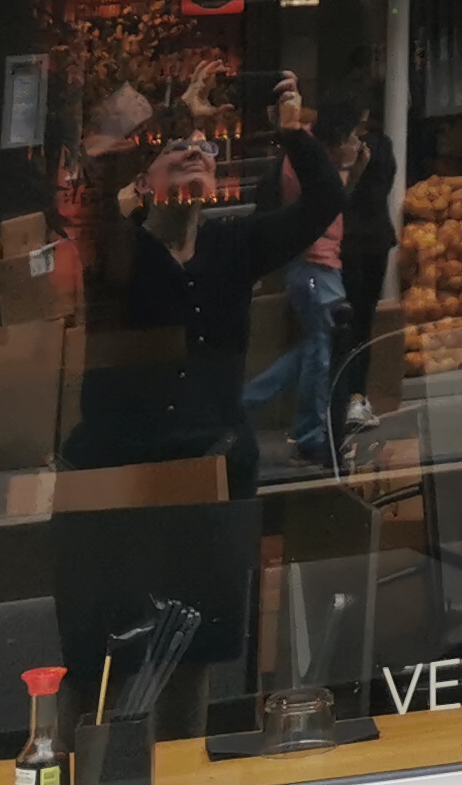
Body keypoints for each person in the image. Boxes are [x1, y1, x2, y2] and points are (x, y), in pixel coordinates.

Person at [66, 109, 344, 499]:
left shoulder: (233, 245)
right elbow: (95, 170)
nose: (195, 153)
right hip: (124, 470)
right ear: (143, 182)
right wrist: (162, 116)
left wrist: (293, 132)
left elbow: (326, 199)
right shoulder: (118, 249)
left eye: (205, 148)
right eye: (177, 148)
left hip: (220, 468)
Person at [239, 106, 355, 473]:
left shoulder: (308, 158)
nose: (356, 144)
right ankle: (309, 437)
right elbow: (328, 200)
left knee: (314, 348)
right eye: (352, 137)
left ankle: (244, 403)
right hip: (315, 264)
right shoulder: (308, 162)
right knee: (320, 353)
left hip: (313, 265)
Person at [325, 103, 399, 442]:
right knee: (360, 323)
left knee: (344, 325)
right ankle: (355, 397)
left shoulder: (351, 149)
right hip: (370, 242)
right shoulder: (379, 146)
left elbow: (349, 195)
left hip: (349, 243)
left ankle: (347, 397)